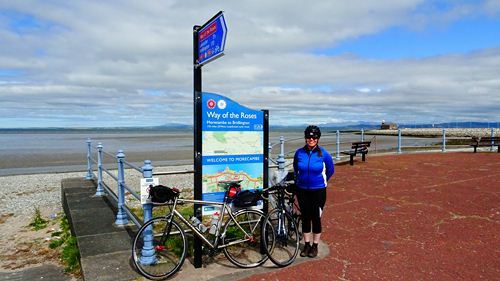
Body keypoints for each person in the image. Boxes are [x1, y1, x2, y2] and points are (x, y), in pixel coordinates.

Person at [293, 125, 334, 258]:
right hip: (302, 190)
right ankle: (307, 244)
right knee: (305, 217)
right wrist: (299, 181)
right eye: (309, 137)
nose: (311, 139)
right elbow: (295, 169)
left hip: (318, 191)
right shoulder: (299, 153)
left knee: (316, 218)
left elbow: (331, 170)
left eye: (314, 137)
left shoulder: (324, 153)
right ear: (305, 138)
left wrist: (322, 181)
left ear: (317, 139)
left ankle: (315, 246)